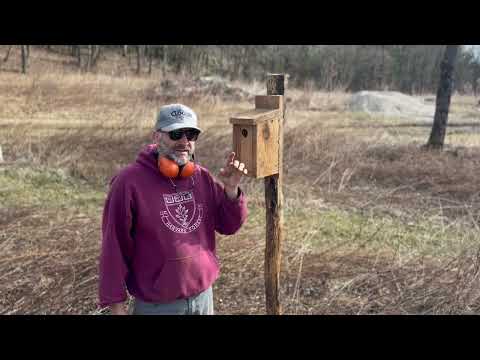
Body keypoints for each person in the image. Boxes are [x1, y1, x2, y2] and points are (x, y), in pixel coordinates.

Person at [98, 103, 248, 315]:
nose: (185, 142)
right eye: (176, 133)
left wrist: (231, 190)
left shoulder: (201, 177)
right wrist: (116, 305)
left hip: (203, 298)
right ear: (156, 137)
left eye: (191, 134)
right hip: (157, 306)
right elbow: (114, 247)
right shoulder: (128, 182)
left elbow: (229, 225)